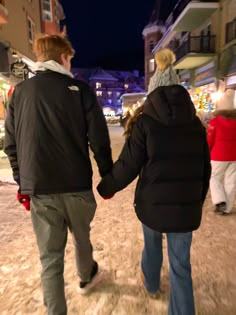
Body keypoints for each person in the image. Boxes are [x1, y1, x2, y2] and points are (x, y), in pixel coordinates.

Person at [4, 34, 113, 315]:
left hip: (40, 189)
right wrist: (108, 176)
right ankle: (87, 275)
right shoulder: (80, 90)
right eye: (69, 59)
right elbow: (99, 139)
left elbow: (11, 145)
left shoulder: (19, 94)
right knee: (82, 236)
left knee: (50, 259)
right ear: (63, 57)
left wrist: (22, 184)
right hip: (77, 185)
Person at [97, 84, 211, 315]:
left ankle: (151, 283)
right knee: (180, 265)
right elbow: (205, 169)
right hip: (184, 207)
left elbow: (128, 165)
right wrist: (197, 200)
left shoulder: (145, 124)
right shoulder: (196, 126)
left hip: (152, 204)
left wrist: (107, 187)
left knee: (152, 244)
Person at [207, 89, 236, 215]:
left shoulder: (215, 122)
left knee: (214, 177)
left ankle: (220, 201)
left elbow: (209, 139)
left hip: (218, 155)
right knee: (231, 181)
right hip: (234, 156)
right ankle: (228, 208)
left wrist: (207, 149)